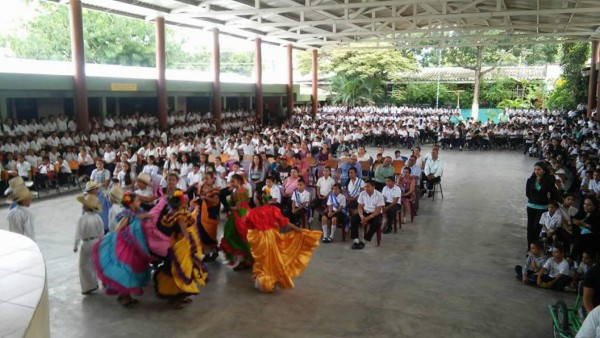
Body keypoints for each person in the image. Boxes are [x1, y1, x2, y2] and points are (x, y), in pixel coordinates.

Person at [245, 194, 321, 293]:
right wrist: (296, 228)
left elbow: (249, 226)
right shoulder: (272, 209)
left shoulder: (252, 212)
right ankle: (271, 281)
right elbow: (283, 221)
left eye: (255, 197)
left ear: (257, 200)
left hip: (260, 240)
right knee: (273, 259)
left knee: (263, 261)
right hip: (271, 236)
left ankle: (265, 282)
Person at [93, 193, 153, 307]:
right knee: (126, 270)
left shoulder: (136, 212)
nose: (139, 203)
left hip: (133, 247)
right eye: (137, 201)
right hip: (126, 247)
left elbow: (140, 217)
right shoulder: (127, 214)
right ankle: (124, 296)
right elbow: (119, 227)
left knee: (131, 271)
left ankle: (126, 296)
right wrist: (117, 237)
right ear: (130, 203)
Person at [154, 190, 209, 309]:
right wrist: (191, 242)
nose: (187, 201)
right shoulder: (179, 215)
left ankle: (180, 294)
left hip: (178, 243)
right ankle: (175, 297)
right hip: (181, 244)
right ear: (181, 203)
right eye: (185, 200)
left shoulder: (177, 212)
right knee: (179, 268)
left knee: (182, 268)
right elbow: (184, 231)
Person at [219, 174, 253, 270]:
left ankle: (243, 261)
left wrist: (228, 208)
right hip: (246, 213)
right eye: (231, 181)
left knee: (235, 236)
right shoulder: (240, 189)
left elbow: (237, 207)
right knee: (242, 238)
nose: (231, 183)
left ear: (238, 181)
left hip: (240, 215)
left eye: (233, 181)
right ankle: (246, 260)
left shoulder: (239, 191)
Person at [73, 194, 104, 295]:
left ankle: (88, 286)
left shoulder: (82, 219)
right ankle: (95, 283)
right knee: (94, 264)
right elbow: (101, 232)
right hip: (97, 242)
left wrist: (75, 246)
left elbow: (78, 233)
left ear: (86, 207)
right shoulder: (98, 217)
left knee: (84, 265)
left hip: (86, 243)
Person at [525, 161, 557, 249]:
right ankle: (530, 247)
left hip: (542, 207)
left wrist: (545, 200)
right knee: (530, 228)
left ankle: (536, 245)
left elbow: (553, 193)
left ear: (544, 170)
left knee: (536, 227)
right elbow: (527, 193)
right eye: (535, 169)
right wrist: (534, 199)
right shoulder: (530, 180)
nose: (536, 171)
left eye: (539, 169)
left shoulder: (549, 180)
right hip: (531, 206)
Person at [191, 172, 220, 262]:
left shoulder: (214, 190)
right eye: (204, 178)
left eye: (207, 178)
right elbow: (198, 197)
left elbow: (216, 201)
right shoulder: (202, 188)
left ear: (212, 179)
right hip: (201, 213)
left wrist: (206, 198)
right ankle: (207, 253)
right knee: (201, 232)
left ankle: (214, 251)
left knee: (210, 234)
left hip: (210, 214)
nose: (205, 180)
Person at [350, 180, 385, 250]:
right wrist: (362, 216)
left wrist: (368, 218)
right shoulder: (362, 193)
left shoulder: (379, 195)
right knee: (353, 219)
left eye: (368, 186)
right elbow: (359, 207)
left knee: (376, 222)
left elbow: (378, 210)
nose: (366, 188)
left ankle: (364, 240)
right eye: (365, 186)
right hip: (365, 212)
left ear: (373, 187)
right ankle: (356, 240)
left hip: (375, 213)